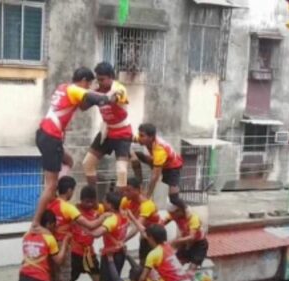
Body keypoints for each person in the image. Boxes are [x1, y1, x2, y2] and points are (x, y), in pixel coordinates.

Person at [33, 67, 112, 226]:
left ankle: (57, 198)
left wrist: (96, 90)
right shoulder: (75, 89)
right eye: (88, 84)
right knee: (51, 184)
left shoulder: (64, 87)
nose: (88, 88)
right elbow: (99, 100)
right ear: (83, 80)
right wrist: (112, 95)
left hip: (43, 134)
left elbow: (83, 105)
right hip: (51, 138)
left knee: (68, 161)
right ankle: (36, 222)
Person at [82, 61, 132, 191]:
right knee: (87, 163)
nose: (100, 82)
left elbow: (113, 99)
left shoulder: (119, 89)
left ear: (111, 77)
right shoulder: (97, 89)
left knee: (121, 171)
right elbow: (83, 107)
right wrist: (88, 94)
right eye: (98, 79)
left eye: (102, 79)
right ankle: (93, 198)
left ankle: (120, 205)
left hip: (122, 133)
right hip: (106, 131)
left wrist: (94, 95)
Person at [132, 122, 185, 208]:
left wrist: (147, 195)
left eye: (142, 136)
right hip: (159, 162)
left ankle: (187, 210)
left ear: (151, 137)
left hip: (173, 167)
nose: (139, 138)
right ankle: (139, 180)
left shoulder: (159, 149)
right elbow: (132, 138)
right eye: (139, 134)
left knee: (174, 198)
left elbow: (154, 177)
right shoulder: (145, 139)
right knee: (137, 154)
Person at [121, 177, 161, 263]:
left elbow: (137, 228)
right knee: (143, 261)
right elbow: (118, 212)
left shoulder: (147, 205)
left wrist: (122, 240)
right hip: (144, 235)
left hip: (154, 237)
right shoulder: (126, 201)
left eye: (128, 190)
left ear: (138, 190)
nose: (125, 193)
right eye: (124, 190)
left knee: (151, 263)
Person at [166, 202, 207, 269]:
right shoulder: (173, 215)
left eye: (172, 214)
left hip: (198, 244)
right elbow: (162, 222)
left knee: (191, 270)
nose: (171, 215)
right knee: (175, 267)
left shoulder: (193, 218)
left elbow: (192, 237)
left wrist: (176, 241)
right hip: (185, 243)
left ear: (179, 211)